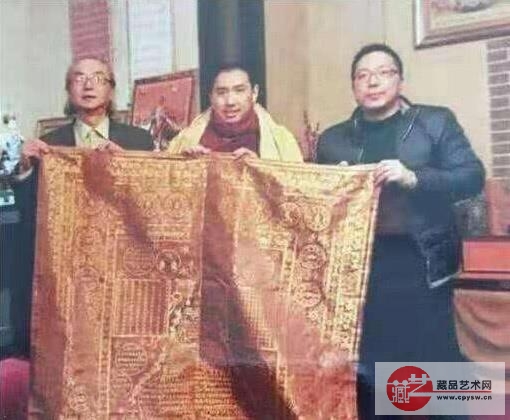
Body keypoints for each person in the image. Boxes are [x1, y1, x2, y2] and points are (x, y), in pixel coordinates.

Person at [316, 43, 485, 419]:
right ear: (353, 86)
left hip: (423, 260)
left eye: (383, 73)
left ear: (400, 80)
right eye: (363, 76)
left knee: (437, 361)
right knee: (374, 367)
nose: (373, 82)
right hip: (363, 267)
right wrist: (334, 184)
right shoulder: (333, 139)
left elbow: (472, 176)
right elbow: (316, 204)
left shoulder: (435, 122)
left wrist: (414, 178)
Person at [166, 63, 303, 162]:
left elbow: (298, 190)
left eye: (239, 90)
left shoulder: (283, 141)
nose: (230, 101)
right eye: (221, 92)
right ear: (211, 97)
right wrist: (186, 167)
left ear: (254, 93)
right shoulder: (186, 139)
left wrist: (260, 170)